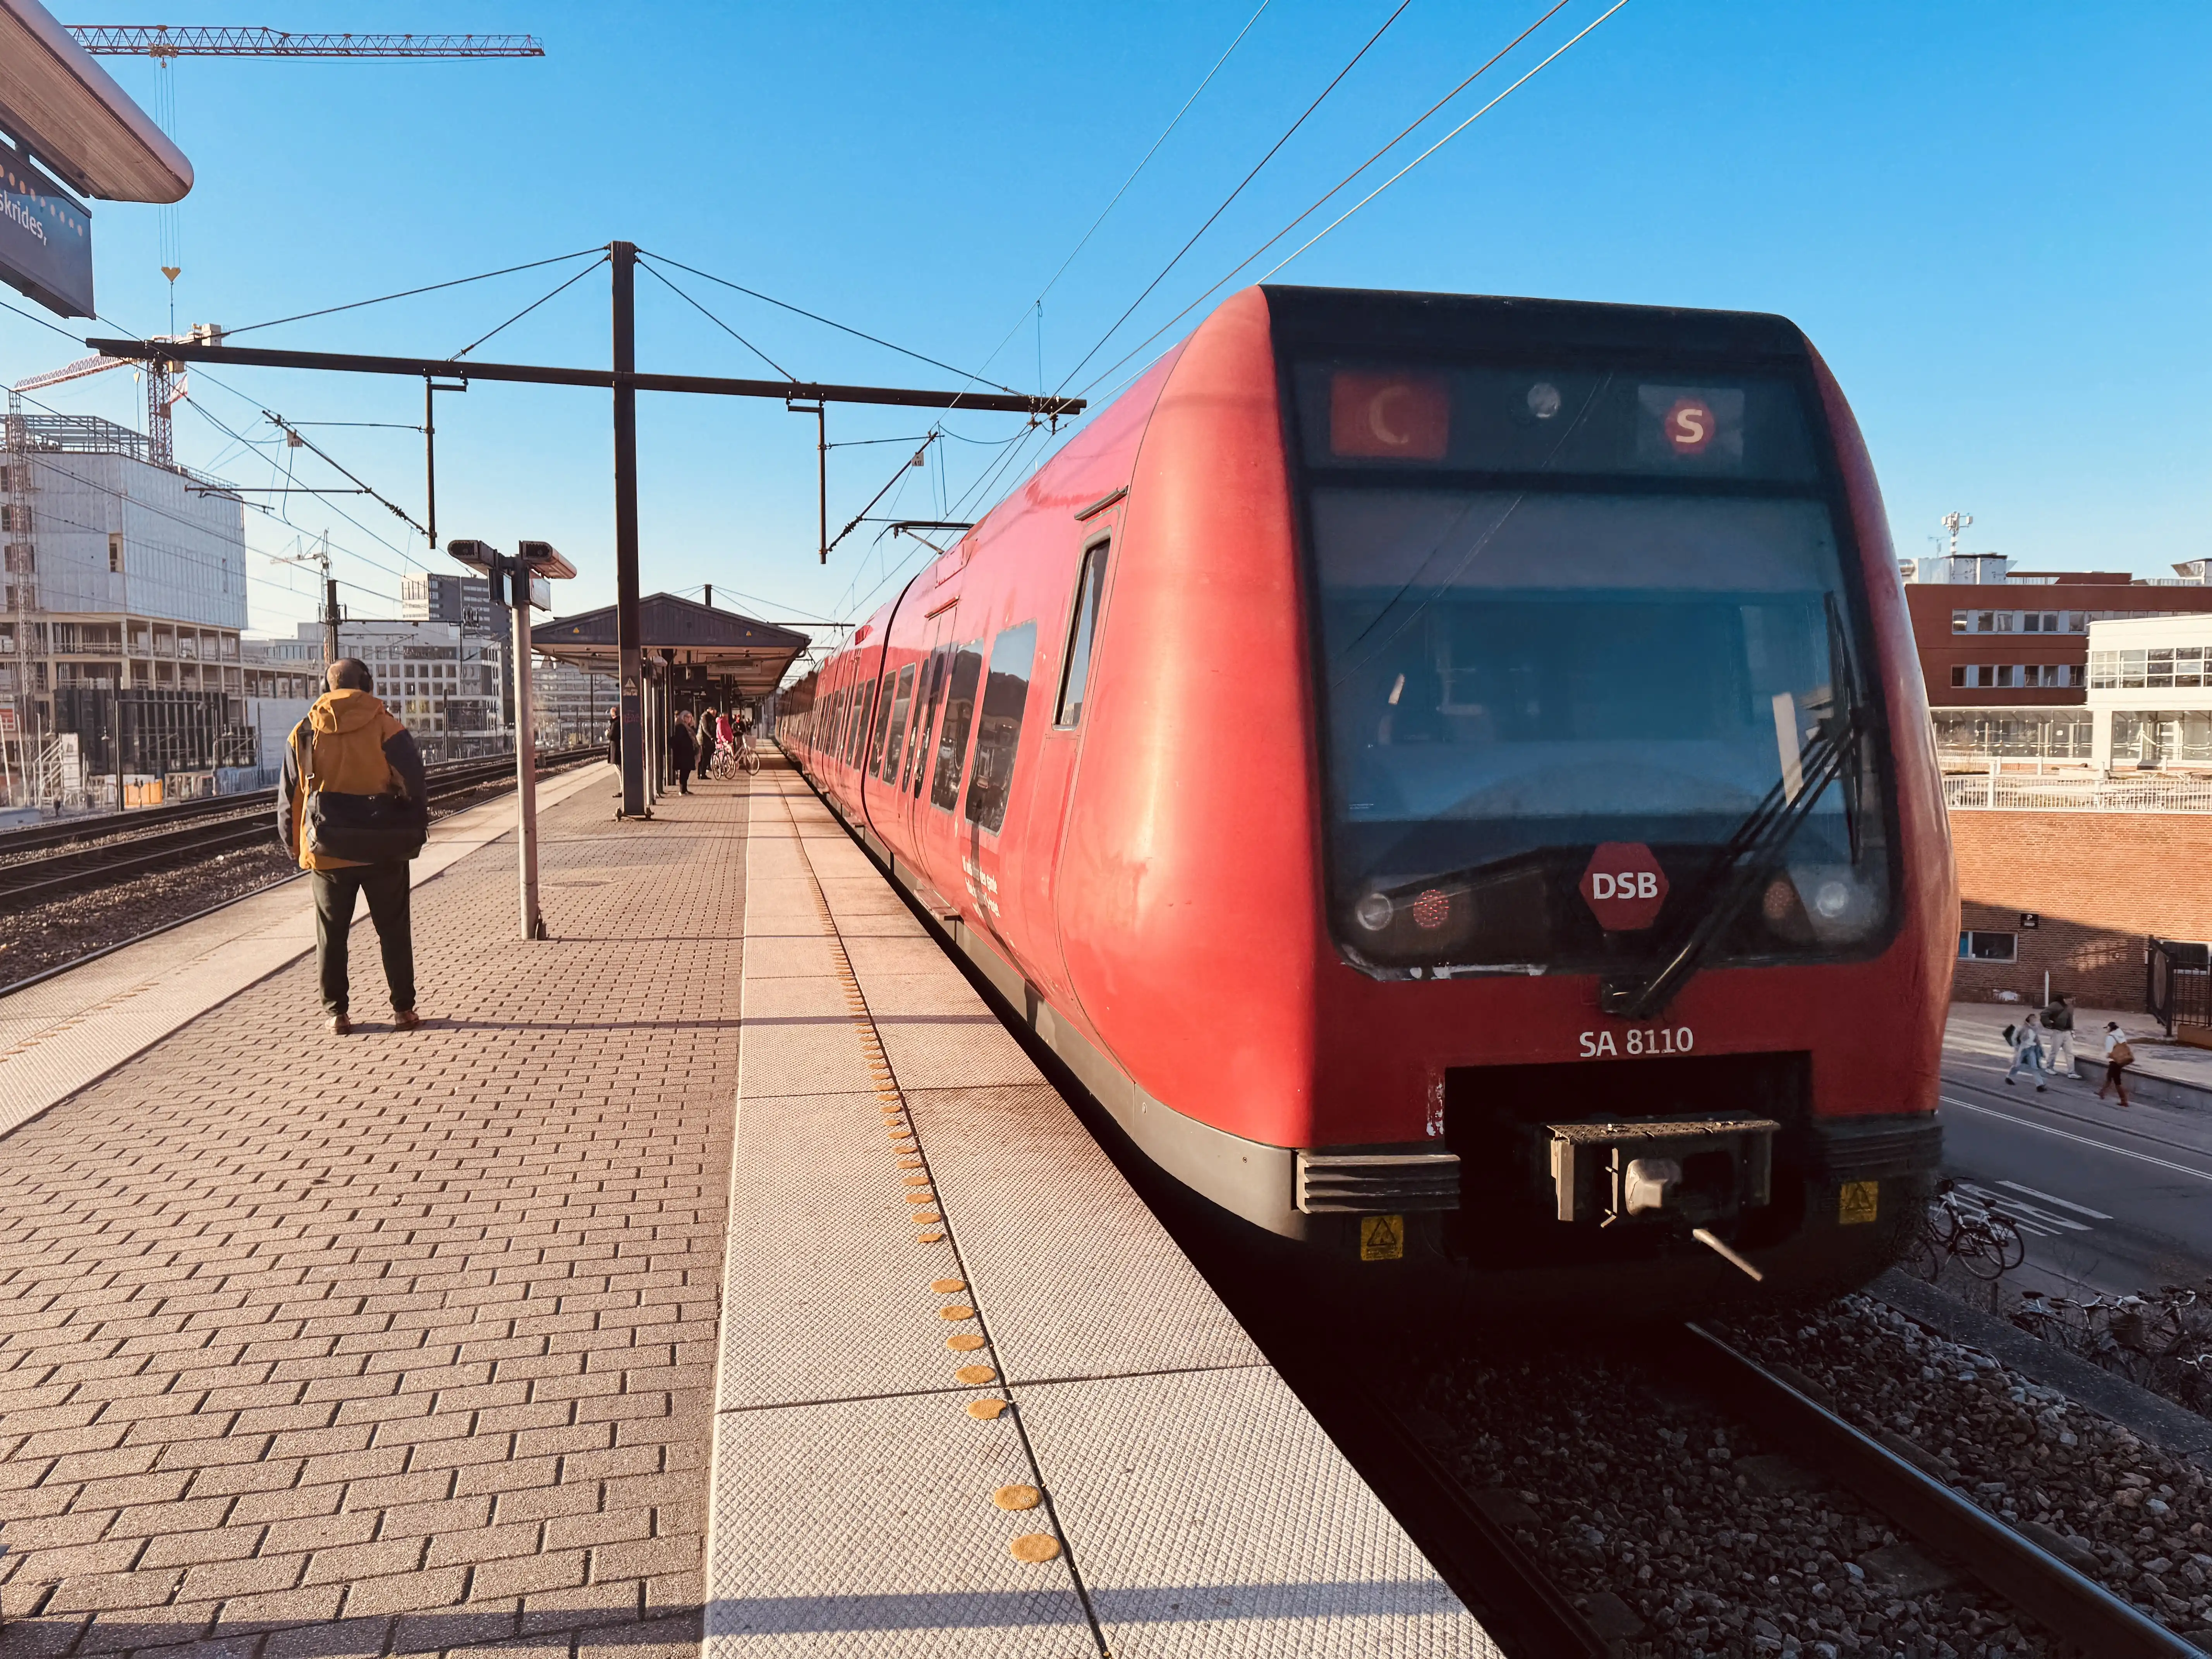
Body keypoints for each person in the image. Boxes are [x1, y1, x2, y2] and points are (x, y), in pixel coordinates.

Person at [277, 658, 429, 1036]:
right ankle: (403, 1010)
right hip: (383, 848)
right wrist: (411, 831)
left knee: (332, 934)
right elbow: (413, 785)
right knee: (393, 930)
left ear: (327, 688)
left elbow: (291, 799)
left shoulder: (304, 732)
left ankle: (337, 1014)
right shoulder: (387, 726)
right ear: (368, 685)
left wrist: (295, 849)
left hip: (327, 849)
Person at [2002, 1012, 2048, 1091]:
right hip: (2023, 1049)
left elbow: (2037, 1039)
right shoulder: (2022, 1027)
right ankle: (2009, 1077)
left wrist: (2040, 1050)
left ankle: (2040, 1085)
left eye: (2035, 1019)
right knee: (2018, 1065)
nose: (2035, 1021)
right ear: (2029, 1020)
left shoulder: (2035, 1029)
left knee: (2034, 1067)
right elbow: (2014, 1037)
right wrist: (2016, 1046)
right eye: (2033, 1019)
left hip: (2031, 1049)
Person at [2097, 1021, 2135, 1108]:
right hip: (2121, 1060)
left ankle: (2124, 1100)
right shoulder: (2121, 1036)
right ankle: (2102, 1092)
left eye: (2108, 1028)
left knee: (2117, 1081)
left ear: (2110, 1028)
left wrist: (2106, 1055)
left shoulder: (2111, 1037)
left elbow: (2109, 1051)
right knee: (2110, 1076)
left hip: (2115, 1061)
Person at [2042, 992, 2076, 1078]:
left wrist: (2072, 1030)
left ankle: (2072, 1072)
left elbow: (2070, 1019)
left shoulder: (2070, 1007)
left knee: (2070, 1052)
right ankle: (2049, 1067)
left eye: (2072, 1000)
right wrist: (2049, 1024)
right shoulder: (2055, 1005)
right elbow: (2044, 1014)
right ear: (2064, 999)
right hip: (2057, 1031)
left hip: (2068, 1031)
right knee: (2055, 1051)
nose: (2071, 1001)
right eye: (2069, 1000)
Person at [670, 709, 697, 795]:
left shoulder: (687, 727)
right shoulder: (681, 727)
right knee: (684, 771)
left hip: (687, 752)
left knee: (686, 771)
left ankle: (684, 789)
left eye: (690, 717)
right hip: (683, 753)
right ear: (683, 717)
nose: (689, 719)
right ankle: (682, 790)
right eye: (687, 717)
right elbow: (680, 739)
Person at [697, 706, 719, 778]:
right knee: (705, 757)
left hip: (706, 740)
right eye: (714, 713)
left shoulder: (708, 716)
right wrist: (712, 737)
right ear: (711, 711)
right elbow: (705, 728)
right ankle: (702, 774)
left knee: (705, 757)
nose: (715, 715)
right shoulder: (705, 716)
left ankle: (701, 774)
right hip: (703, 740)